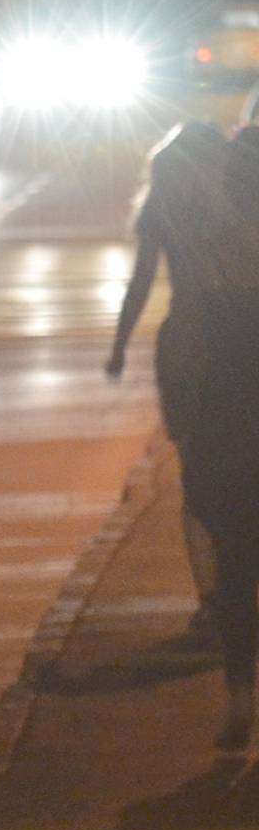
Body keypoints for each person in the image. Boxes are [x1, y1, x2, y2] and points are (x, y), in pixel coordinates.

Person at [107, 120, 232, 637]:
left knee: (198, 477)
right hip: (239, 338)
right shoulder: (239, 203)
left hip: (184, 344)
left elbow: (140, 282)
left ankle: (211, 600)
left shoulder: (162, 208)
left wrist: (118, 346)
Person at [172, 122, 259, 754]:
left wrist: (193, 426)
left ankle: (240, 699)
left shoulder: (214, 241)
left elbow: (199, 343)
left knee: (236, 564)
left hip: (232, 418)